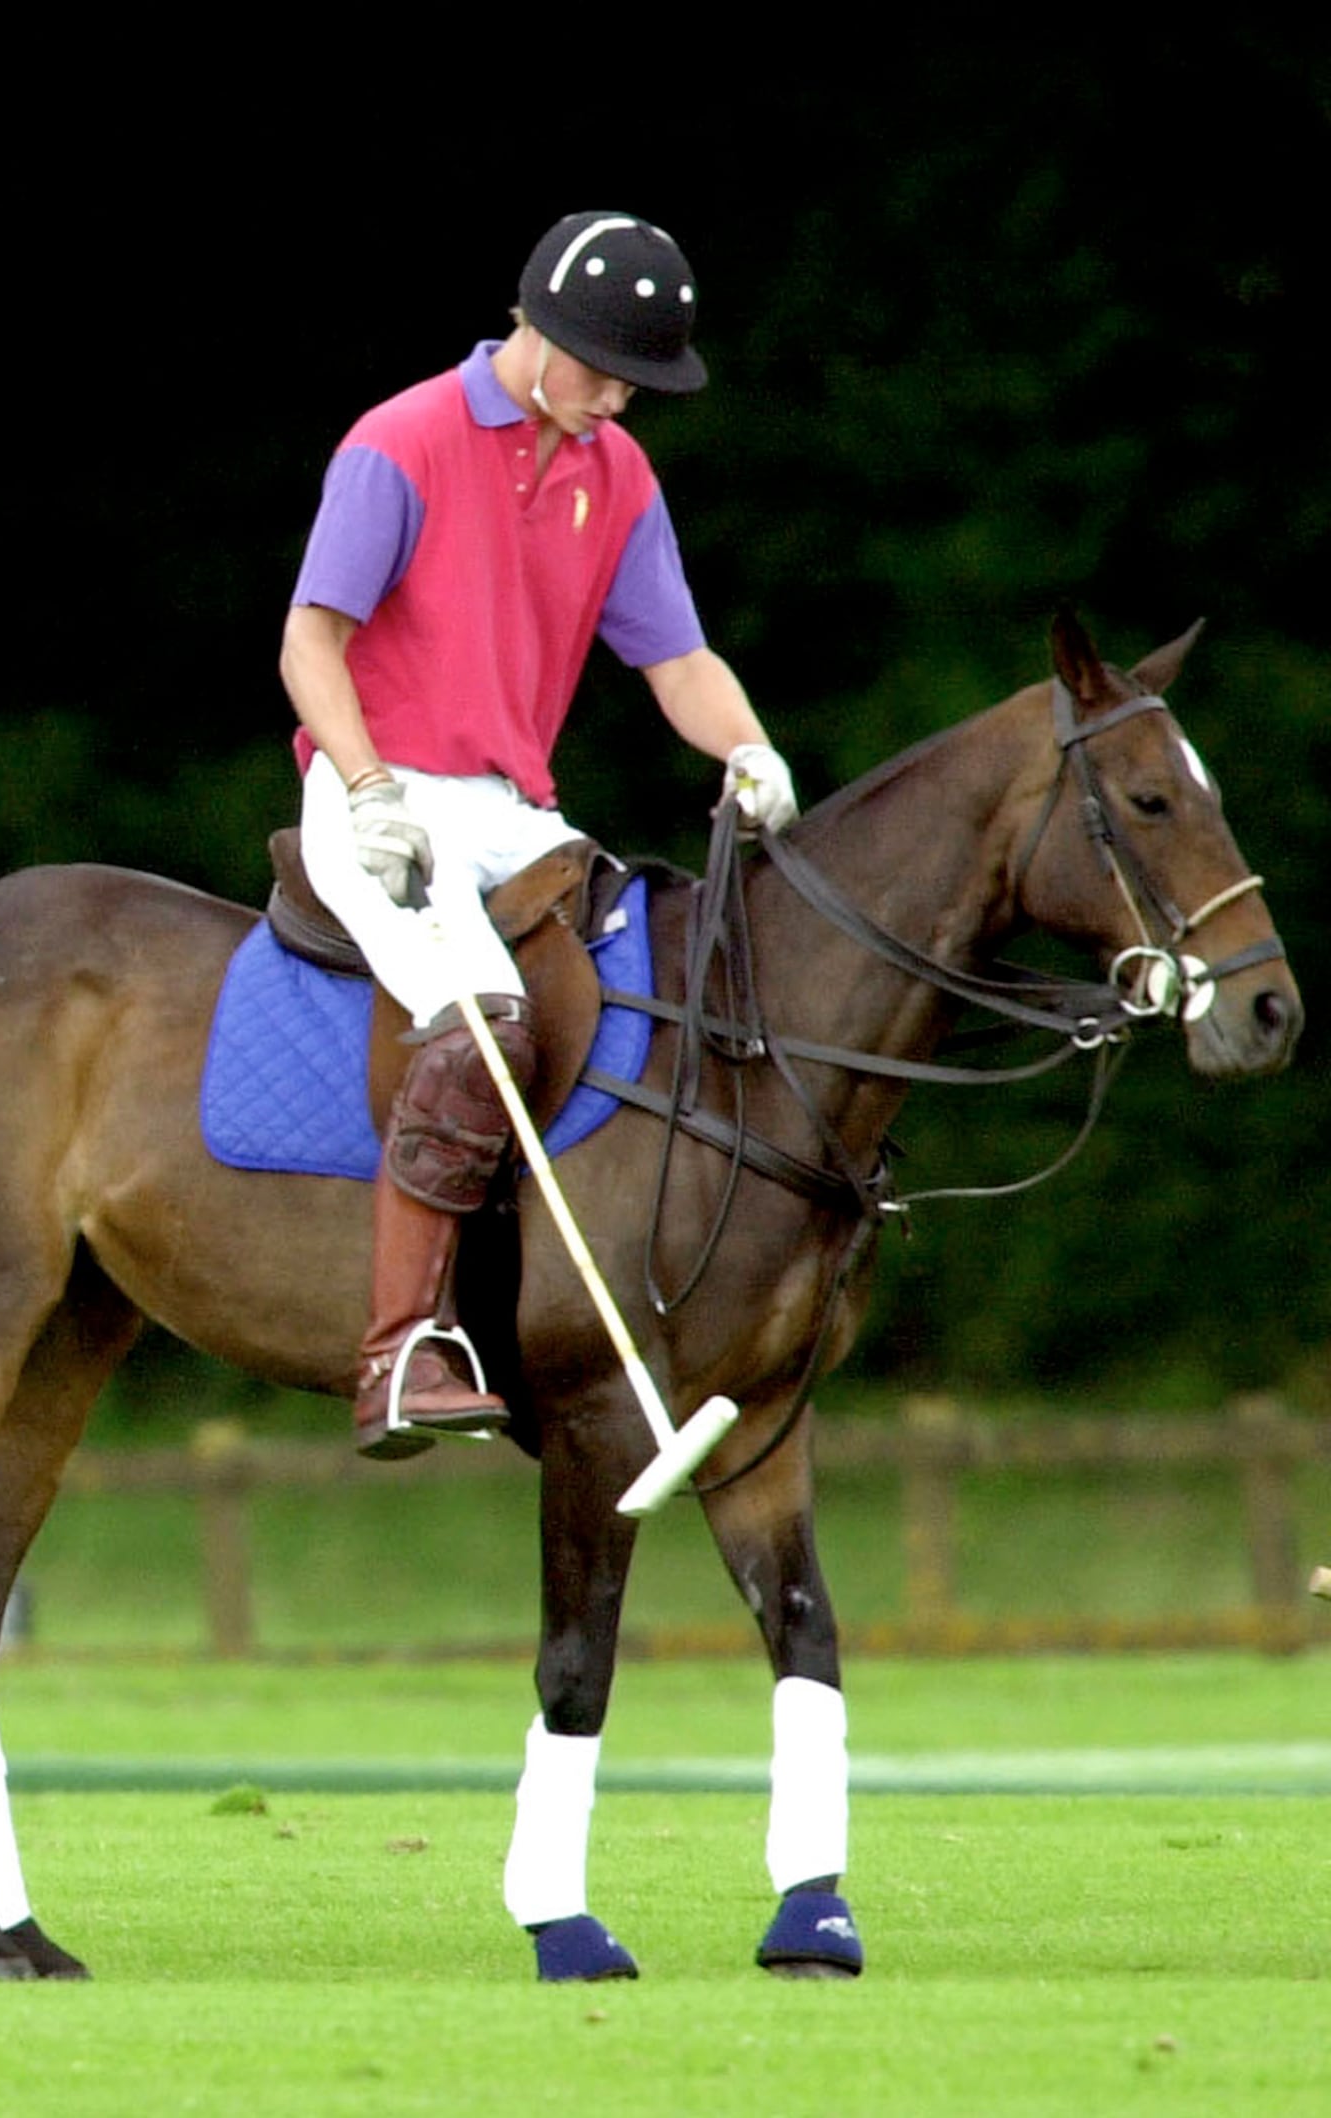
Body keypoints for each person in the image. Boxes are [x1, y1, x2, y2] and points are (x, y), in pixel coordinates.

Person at [279, 211, 800, 1461]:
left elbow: (676, 659)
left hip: (515, 811)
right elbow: (310, 640)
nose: (618, 399)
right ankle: (399, 1352)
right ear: (538, 329)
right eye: (605, 371)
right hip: (380, 790)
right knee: (483, 1023)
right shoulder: (401, 440)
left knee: (658, 989)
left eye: (635, 382)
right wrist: (366, 786)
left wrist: (749, 749)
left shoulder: (617, 475)